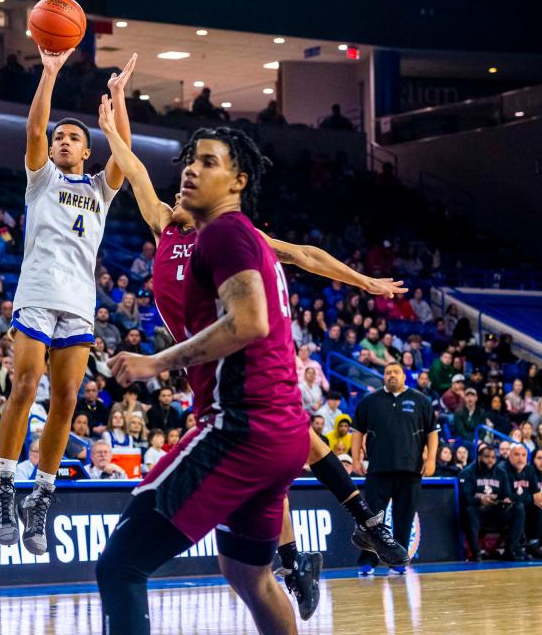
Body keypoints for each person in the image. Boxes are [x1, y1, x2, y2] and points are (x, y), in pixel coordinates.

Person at [95, 98, 407, 621]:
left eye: (206, 164)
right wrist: (113, 123)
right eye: (187, 166)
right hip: (250, 412)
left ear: (237, 182)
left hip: (238, 416)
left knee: (121, 565)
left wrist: (365, 281)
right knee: (246, 573)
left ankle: (363, 521)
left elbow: (298, 267)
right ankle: (302, 556)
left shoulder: (234, 235)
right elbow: (134, 170)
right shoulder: (166, 228)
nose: (188, 174)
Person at [0, 49, 137, 555]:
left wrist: (117, 101)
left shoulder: (100, 187)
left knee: (68, 401)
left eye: (73, 137)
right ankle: (6, 486)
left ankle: (41, 498)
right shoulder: (42, 179)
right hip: (35, 294)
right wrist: (49, 74)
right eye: (60, 137)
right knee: (26, 385)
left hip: (77, 303)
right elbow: (33, 131)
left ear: (87, 151)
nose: (62, 140)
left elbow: (125, 157)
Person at [351, 363, 438, 576]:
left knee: (404, 516)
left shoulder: (421, 401)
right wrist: (355, 460)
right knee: (372, 518)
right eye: (387, 372)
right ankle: (368, 560)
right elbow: (357, 433)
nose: (391, 375)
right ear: (383, 377)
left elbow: (432, 433)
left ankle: (398, 560)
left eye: (395, 372)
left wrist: (432, 460)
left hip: (410, 470)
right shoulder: (369, 402)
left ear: (404, 376)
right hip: (378, 469)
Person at [460, 444, 521, 561]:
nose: (490, 460)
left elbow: (507, 494)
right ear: (479, 457)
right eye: (487, 456)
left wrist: (507, 499)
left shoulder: (501, 473)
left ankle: (510, 551)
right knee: (470, 511)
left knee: (519, 508)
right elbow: (465, 498)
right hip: (477, 512)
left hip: (495, 511)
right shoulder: (467, 472)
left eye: (493, 457)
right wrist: (480, 501)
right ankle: (476, 553)